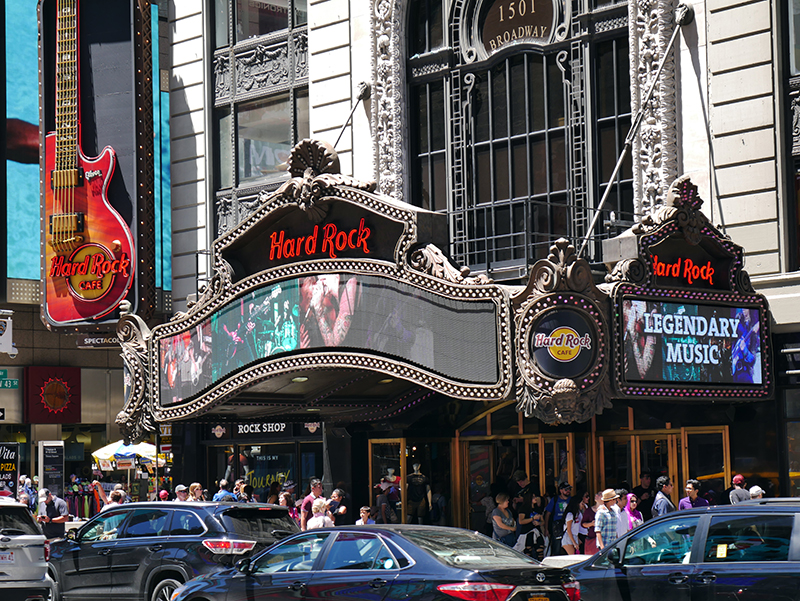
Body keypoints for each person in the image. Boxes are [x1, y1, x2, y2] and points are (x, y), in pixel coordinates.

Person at [543, 481, 572, 556]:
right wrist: (546, 529)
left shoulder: (571, 500)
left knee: (569, 545)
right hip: (557, 525)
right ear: (561, 490)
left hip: (569, 525)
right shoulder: (555, 499)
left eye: (569, 489)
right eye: (566, 489)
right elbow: (547, 514)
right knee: (557, 547)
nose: (568, 491)